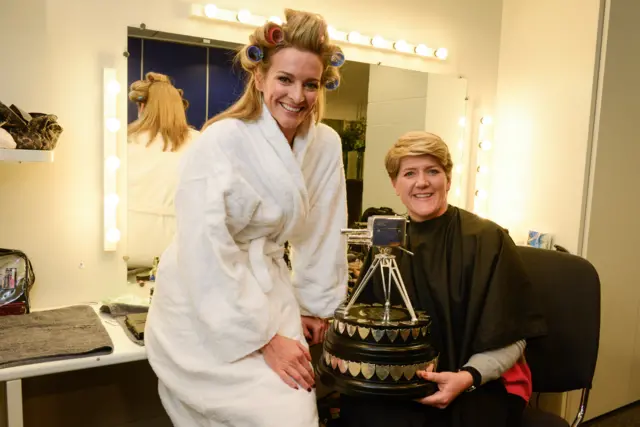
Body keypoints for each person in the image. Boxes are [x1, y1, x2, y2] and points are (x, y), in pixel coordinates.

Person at [144, 9, 349, 427]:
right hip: (204, 298)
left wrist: (313, 305)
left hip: (271, 290)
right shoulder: (222, 140)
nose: (297, 95)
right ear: (260, 78)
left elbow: (324, 230)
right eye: (285, 79)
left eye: (310, 84)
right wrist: (261, 337)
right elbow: (201, 246)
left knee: (293, 411)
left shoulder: (325, 145)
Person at [338, 131, 547, 427]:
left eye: (432, 171)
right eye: (409, 173)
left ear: (448, 179)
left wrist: (467, 378)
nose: (421, 182)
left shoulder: (488, 240)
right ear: (395, 185)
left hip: (475, 383)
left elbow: (512, 335)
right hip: (402, 384)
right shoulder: (386, 244)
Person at [126, 72, 200, 268]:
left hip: (126, 249)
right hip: (180, 253)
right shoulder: (200, 143)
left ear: (142, 107)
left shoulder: (122, 142)